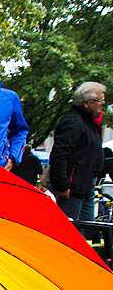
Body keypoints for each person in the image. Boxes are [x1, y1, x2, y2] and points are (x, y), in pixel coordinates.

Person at [48, 82, 106, 221]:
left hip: (85, 185)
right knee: (70, 230)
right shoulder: (73, 122)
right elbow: (59, 154)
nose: (102, 104)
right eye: (100, 100)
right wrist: (62, 185)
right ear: (87, 103)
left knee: (86, 231)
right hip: (72, 188)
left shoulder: (89, 122)